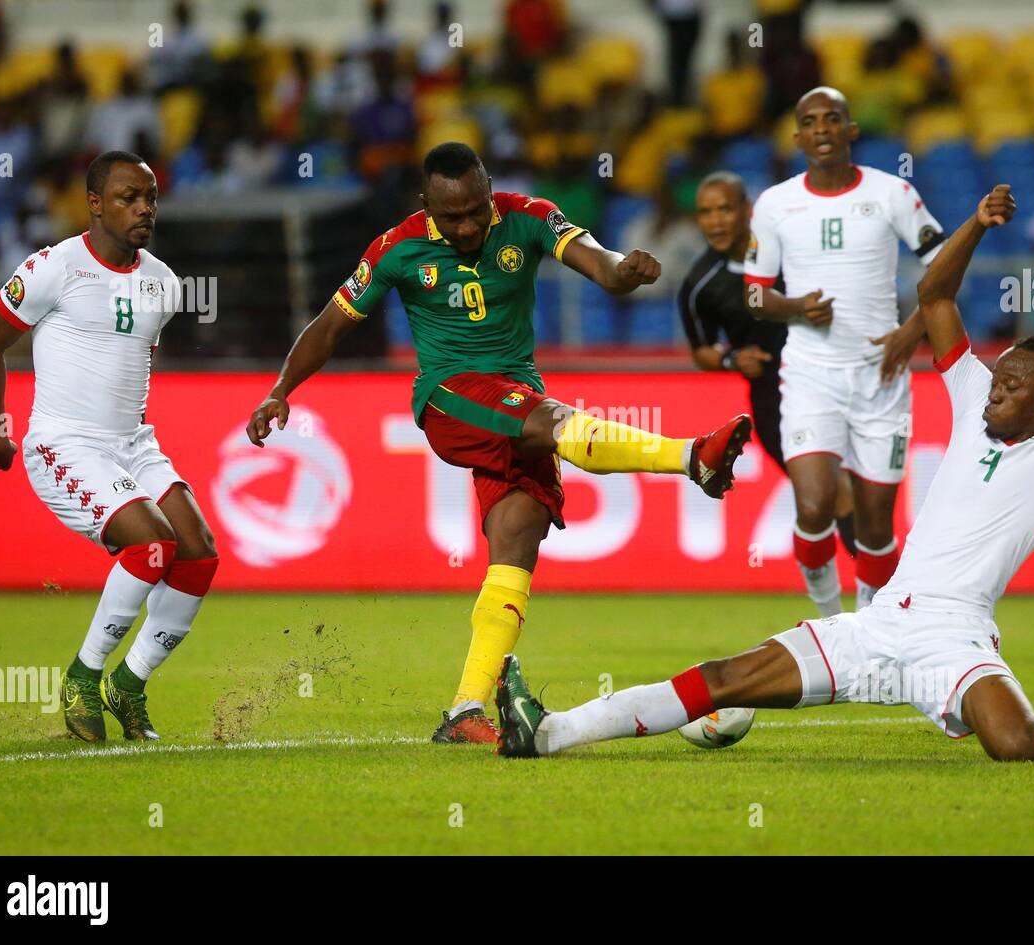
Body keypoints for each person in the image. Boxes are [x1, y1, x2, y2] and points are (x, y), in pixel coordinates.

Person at [492, 189, 1034, 762]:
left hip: (956, 637)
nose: (995, 388)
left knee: (1015, 748)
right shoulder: (975, 396)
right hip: (881, 622)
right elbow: (935, 297)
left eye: (1013, 385)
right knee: (722, 677)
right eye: (998, 375)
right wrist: (976, 225)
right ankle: (548, 732)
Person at [245, 142, 750, 744]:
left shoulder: (529, 216)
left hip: (516, 396)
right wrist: (281, 389)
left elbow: (597, 260)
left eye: (477, 211)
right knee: (557, 423)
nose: (466, 226)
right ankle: (692, 457)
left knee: (519, 535)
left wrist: (623, 272)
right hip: (450, 394)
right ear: (425, 204)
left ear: (490, 192)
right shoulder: (396, 248)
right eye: (451, 216)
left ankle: (464, 709)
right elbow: (331, 325)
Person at [0, 150, 218, 742]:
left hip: (133, 444)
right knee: (152, 547)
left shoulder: (163, 282)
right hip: (64, 442)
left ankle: (128, 684)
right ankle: (83, 677)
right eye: (129, 198)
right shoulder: (52, 267)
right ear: (94, 204)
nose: (144, 209)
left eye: (150, 198)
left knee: (200, 554)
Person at [743, 86, 943, 616]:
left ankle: (872, 629)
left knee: (877, 520)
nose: (822, 129)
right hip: (811, 376)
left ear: (850, 130)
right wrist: (797, 308)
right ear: (798, 136)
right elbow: (755, 295)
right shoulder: (775, 204)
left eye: (833, 119)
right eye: (810, 121)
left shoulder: (892, 194)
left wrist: (912, 331)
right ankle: (832, 622)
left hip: (882, 377)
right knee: (814, 505)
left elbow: (945, 268)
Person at [679, 170, 856, 555]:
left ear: (747, 209)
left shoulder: (793, 250)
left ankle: (884, 597)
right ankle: (873, 598)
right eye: (705, 212)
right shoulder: (700, 285)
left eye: (724, 209)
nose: (715, 221)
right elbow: (701, 351)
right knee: (823, 500)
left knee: (853, 495)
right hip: (774, 401)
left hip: (832, 379)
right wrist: (731, 359)